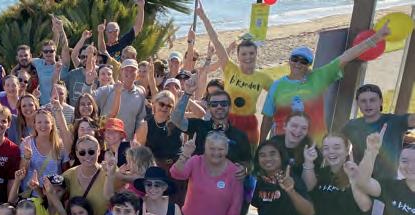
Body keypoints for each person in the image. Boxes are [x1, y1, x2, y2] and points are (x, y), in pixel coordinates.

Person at [260, 23, 391, 143]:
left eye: (303, 61)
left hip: (314, 146)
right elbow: (267, 118)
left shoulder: (318, 77)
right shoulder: (277, 86)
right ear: (289, 61)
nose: (298, 63)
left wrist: (375, 38)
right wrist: (262, 144)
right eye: (295, 59)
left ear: (309, 65)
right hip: (283, 146)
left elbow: (346, 56)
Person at [196, 4, 273, 148]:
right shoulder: (230, 68)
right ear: (238, 56)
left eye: (251, 53)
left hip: (249, 124)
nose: (248, 57)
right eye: (244, 54)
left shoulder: (263, 78)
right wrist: (204, 17)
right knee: (223, 155)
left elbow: (279, 94)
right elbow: (216, 41)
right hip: (227, 120)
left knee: (248, 158)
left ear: (256, 54)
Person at [344, 83, 415, 181]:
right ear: (357, 103)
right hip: (359, 180)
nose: (368, 104)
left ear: (381, 101)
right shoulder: (351, 125)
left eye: (372, 100)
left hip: (387, 182)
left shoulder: (395, 121)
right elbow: (338, 146)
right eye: (363, 101)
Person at [135, 90, 184, 179]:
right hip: (156, 168)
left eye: (169, 106)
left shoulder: (177, 121)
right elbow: (140, 151)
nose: (164, 108)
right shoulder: (145, 125)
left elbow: (200, 114)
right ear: (154, 104)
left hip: (178, 166)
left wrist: (187, 97)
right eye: (162, 104)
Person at [94, 59, 146, 139]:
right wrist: (88, 83)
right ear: (121, 72)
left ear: (137, 73)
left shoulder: (140, 93)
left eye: (133, 70)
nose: (129, 72)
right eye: (126, 69)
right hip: (106, 142)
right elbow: (87, 99)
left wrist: (137, 139)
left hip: (127, 142)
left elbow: (140, 119)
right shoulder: (107, 90)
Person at [62, 135, 109, 215]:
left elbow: (118, 204)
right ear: (77, 154)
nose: (87, 156)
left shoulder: (109, 172)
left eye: (91, 152)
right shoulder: (68, 175)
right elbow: (58, 200)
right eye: (82, 152)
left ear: (98, 151)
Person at [19, 109, 68, 191]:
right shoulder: (27, 142)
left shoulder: (60, 145)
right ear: (34, 125)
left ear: (52, 124)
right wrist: (27, 157)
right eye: (39, 122)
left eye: (47, 122)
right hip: (31, 194)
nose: (43, 125)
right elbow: (21, 173)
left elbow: (65, 173)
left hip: (53, 194)